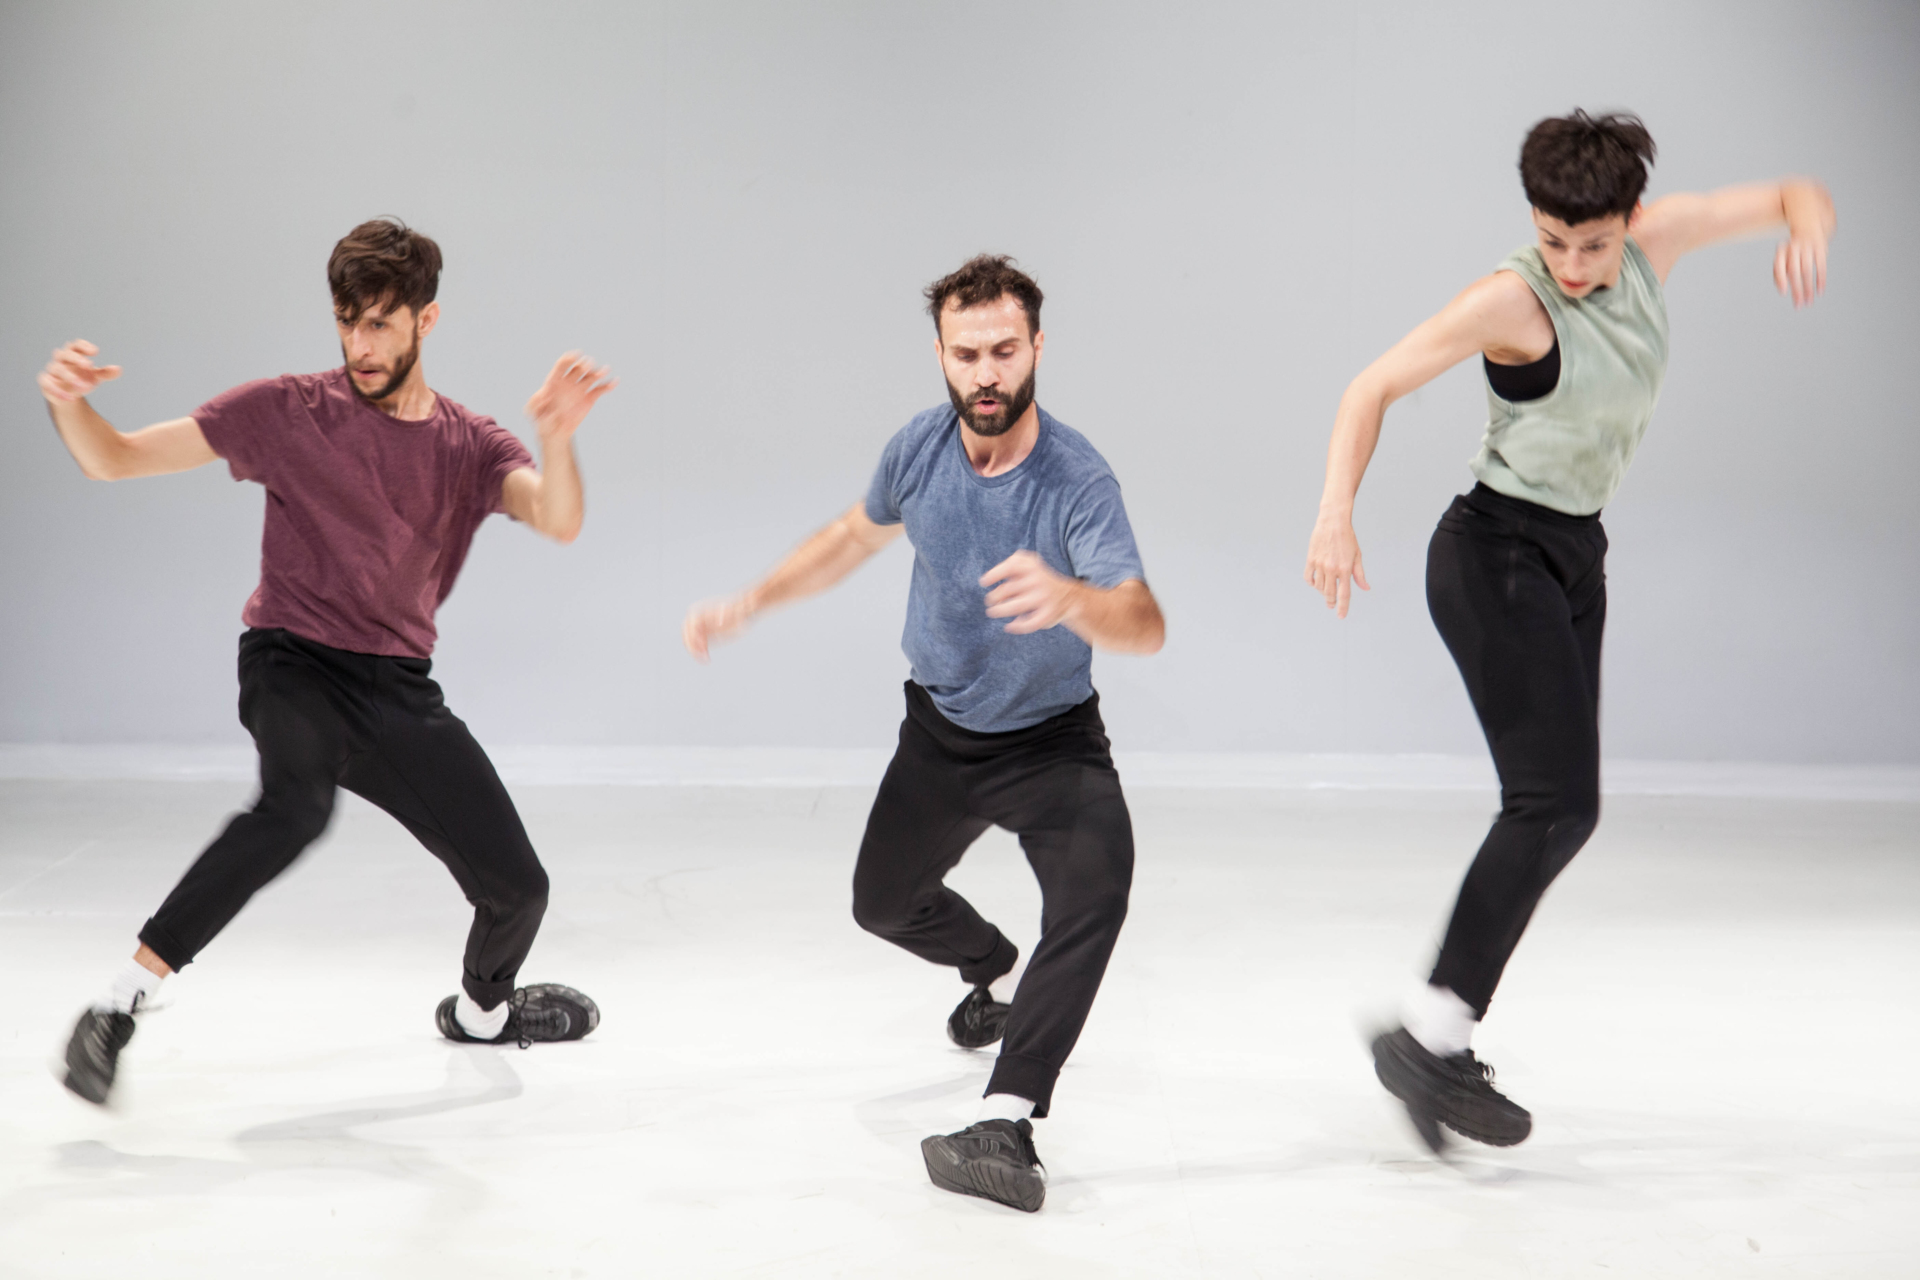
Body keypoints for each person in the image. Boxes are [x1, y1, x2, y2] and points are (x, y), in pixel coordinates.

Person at [1303, 111, 1835, 1153]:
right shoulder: (1511, 297)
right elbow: (1371, 384)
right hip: (1493, 553)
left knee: (1561, 808)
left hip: (1574, 559)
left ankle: (1435, 1037)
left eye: (1592, 243)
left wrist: (1807, 232)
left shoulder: (1659, 240)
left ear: (1628, 221)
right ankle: (1431, 1033)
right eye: (1554, 239)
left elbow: (1793, 191)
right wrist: (1334, 509)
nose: (1574, 264)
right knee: (1554, 802)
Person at [41, 218, 614, 1106]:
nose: (360, 343)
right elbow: (114, 459)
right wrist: (69, 404)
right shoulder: (286, 410)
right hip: (292, 662)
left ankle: (483, 1015)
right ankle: (119, 1004)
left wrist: (561, 437)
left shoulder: (468, 443)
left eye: (380, 322)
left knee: (519, 889)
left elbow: (560, 517)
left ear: (427, 321)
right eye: (347, 320)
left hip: (395, 688)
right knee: (295, 807)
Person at [684, 254, 1163, 1211]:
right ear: (940, 355)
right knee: (881, 904)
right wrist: (753, 601)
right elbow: (847, 540)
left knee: (1095, 895)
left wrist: (1073, 596)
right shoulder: (919, 449)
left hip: (1053, 743)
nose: (986, 374)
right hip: (940, 736)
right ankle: (988, 969)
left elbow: (1143, 620)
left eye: (1004, 351)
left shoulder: (1076, 478)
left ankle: (1008, 1117)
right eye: (966, 353)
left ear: (1036, 348)